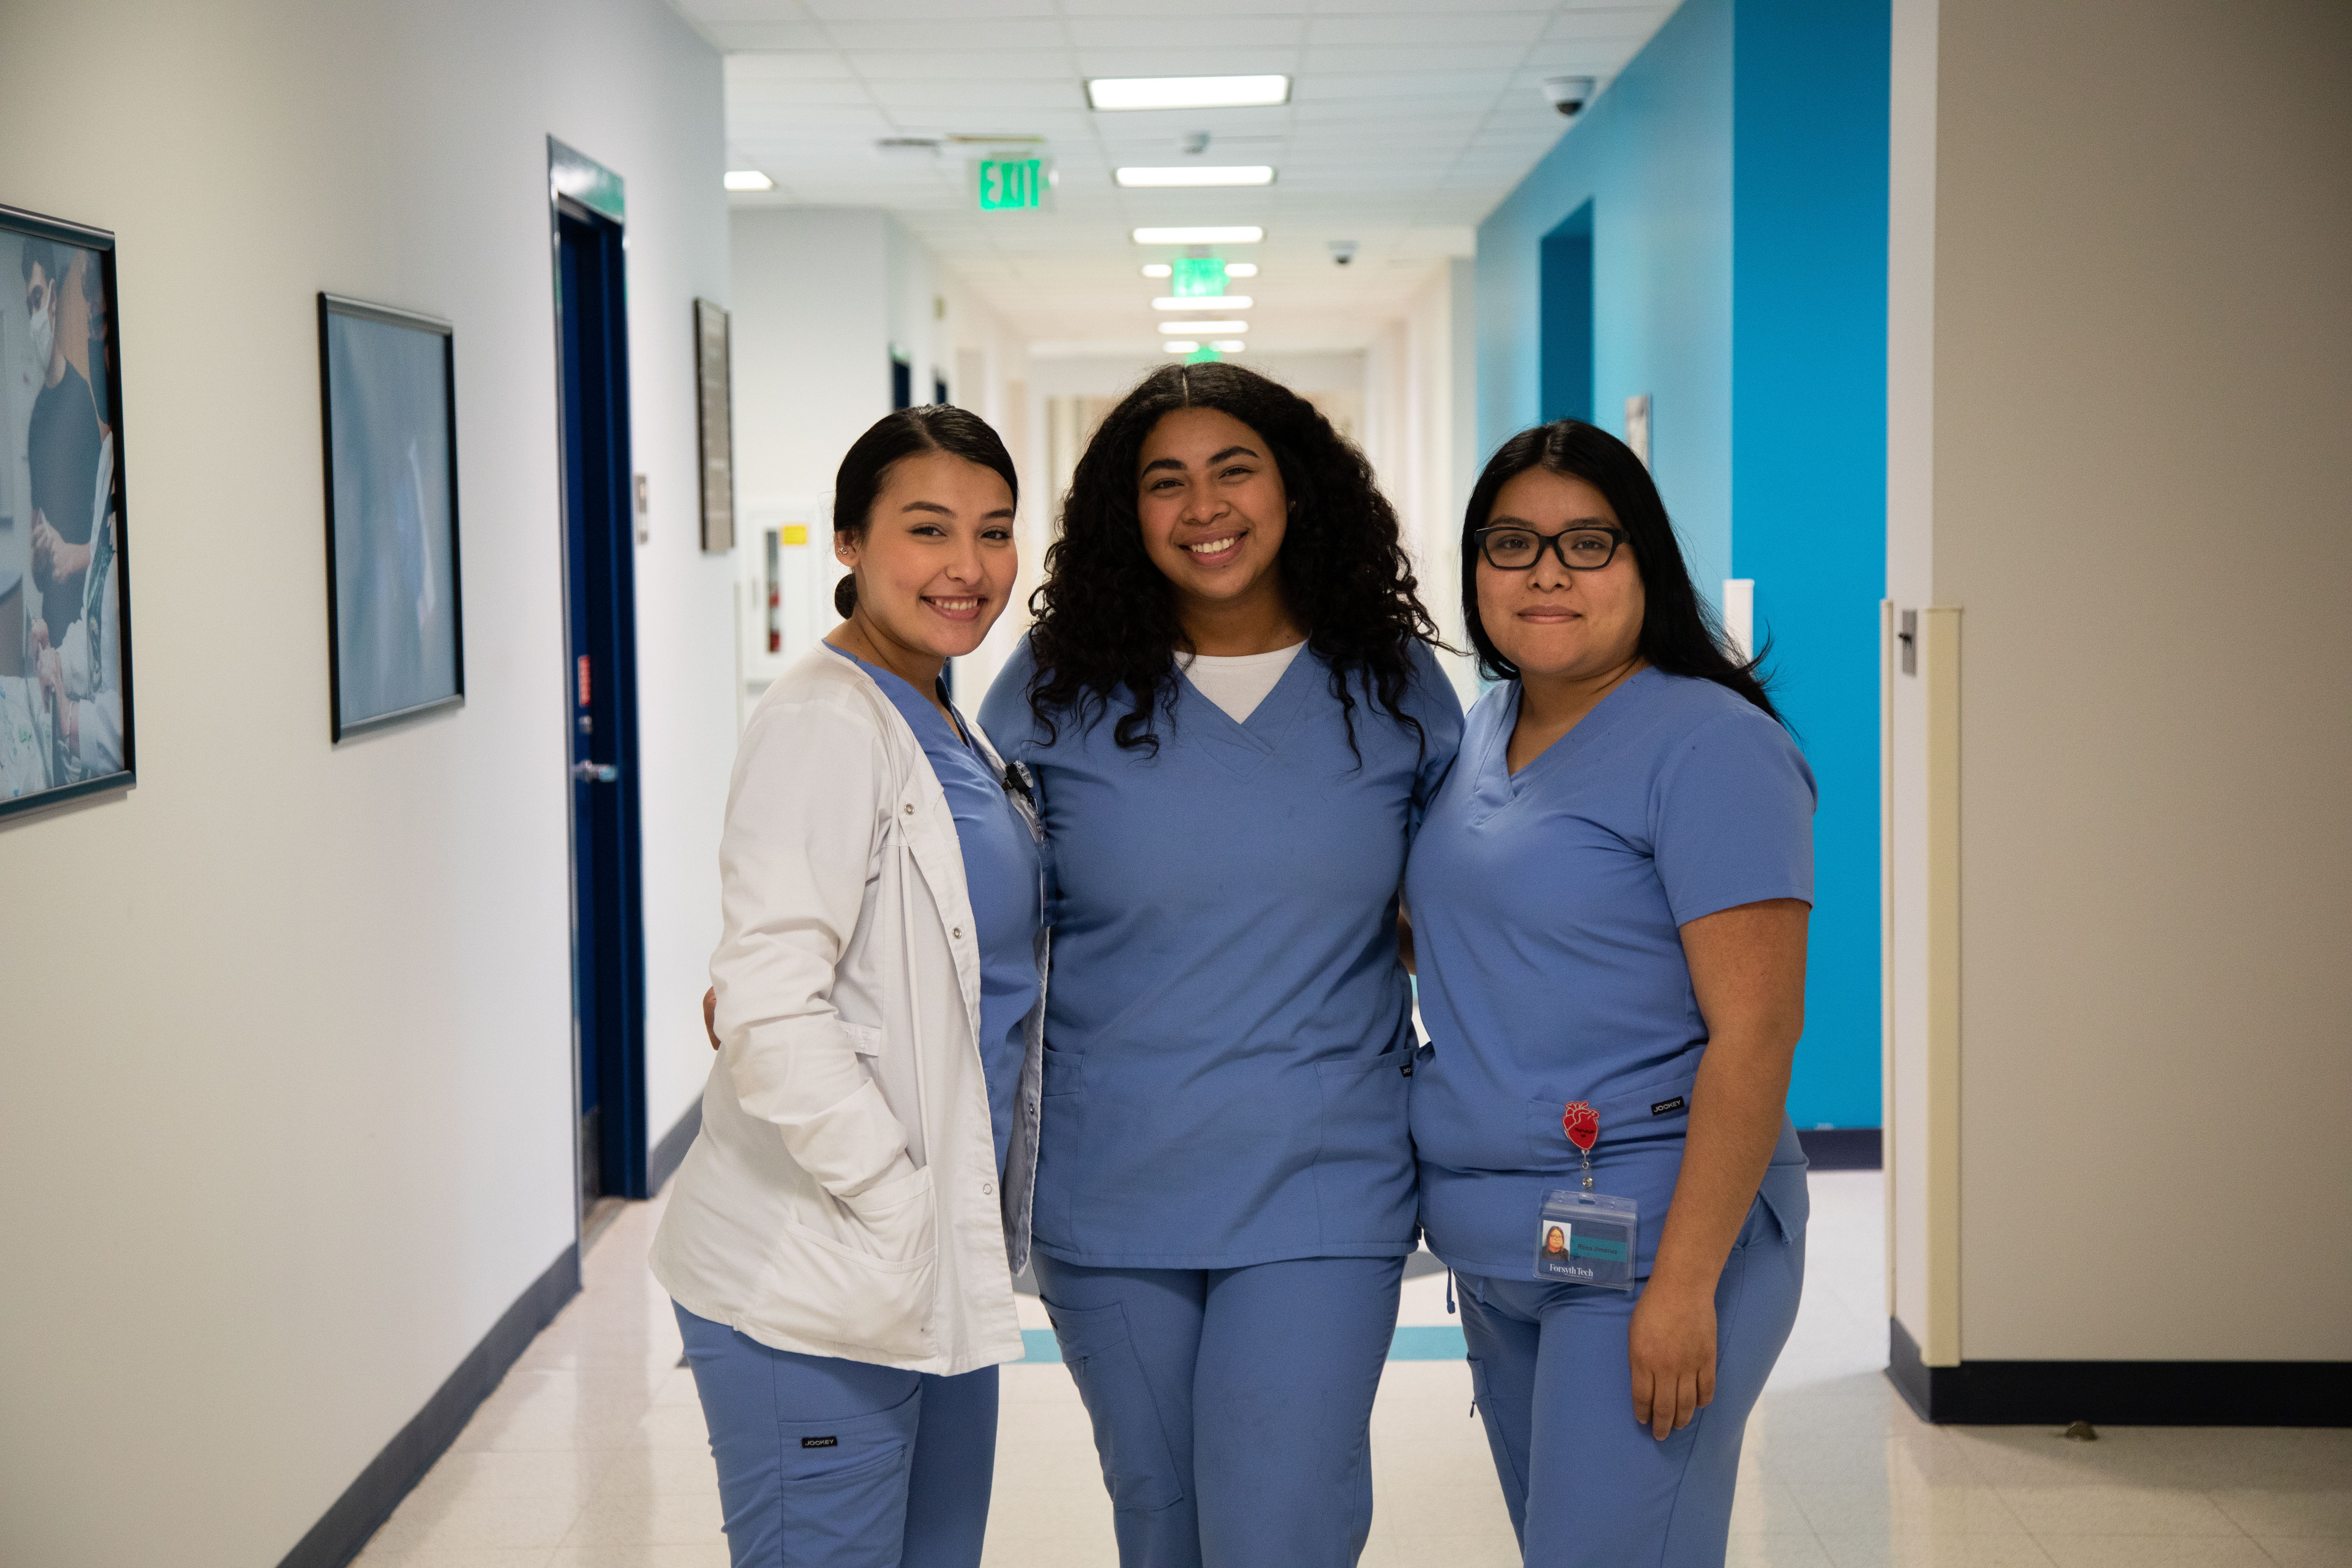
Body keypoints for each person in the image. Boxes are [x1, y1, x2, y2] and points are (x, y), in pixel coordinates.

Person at [975, 361, 1464, 1568]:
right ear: (1123, 516)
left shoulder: (1392, 684)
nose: (1204, 505)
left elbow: (1481, 891)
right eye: (1165, 481)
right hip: (1110, 1183)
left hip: (1323, 1176)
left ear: (1295, 486)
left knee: (1281, 1523)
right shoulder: (1052, 691)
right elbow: (959, 898)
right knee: (1164, 1521)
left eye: (1233, 468)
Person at [1404, 419, 1814, 1568]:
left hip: (1657, 1240)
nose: (1546, 572)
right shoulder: (1483, 734)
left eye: (1589, 543)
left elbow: (1758, 1029)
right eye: (1513, 542)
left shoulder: (1710, 745)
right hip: (1503, 1241)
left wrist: (1686, 1287)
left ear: (1647, 564)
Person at [650, 405, 1045, 1568]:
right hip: (819, 1287)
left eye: (994, 531)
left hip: (924, 1281)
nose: (967, 568)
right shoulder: (825, 724)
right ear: (849, 543)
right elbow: (769, 1006)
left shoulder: (932, 712)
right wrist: (895, 1201)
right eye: (928, 531)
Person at [21, 240, 102, 644]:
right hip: (53, 631)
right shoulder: (36, 420)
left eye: (39, 298)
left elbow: (107, 541)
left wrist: (72, 554)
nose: (36, 314)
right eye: (28, 306)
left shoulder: (84, 401)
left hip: (87, 630)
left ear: (54, 295)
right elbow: (38, 575)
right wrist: (39, 559)